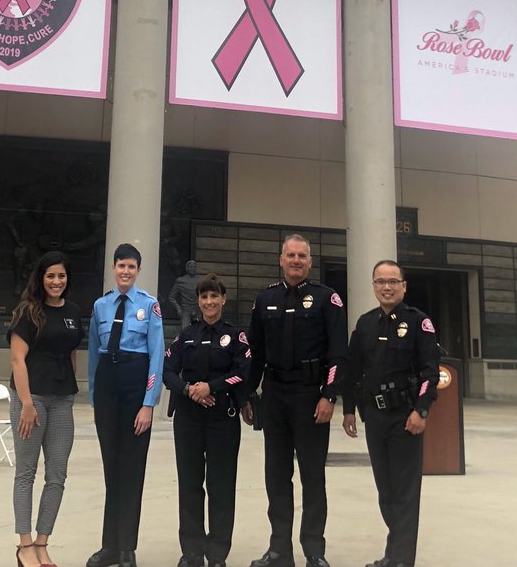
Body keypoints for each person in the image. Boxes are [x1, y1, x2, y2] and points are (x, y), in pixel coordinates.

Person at [243, 234, 347, 567]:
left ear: (310, 262)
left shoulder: (326, 299)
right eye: (291, 255)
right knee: (276, 475)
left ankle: (314, 551)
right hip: (274, 395)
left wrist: (329, 395)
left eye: (302, 256)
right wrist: (248, 394)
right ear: (281, 259)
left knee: (312, 476)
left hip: (310, 396)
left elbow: (338, 353)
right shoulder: (265, 299)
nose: (296, 260)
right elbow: (255, 353)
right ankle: (279, 550)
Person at [341, 261, 440, 567]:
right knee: (385, 491)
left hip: (405, 417)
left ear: (403, 286)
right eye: (380, 281)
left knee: (405, 492)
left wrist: (421, 410)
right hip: (375, 417)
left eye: (392, 281)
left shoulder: (418, 322)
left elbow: (430, 373)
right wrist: (349, 410)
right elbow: (352, 370)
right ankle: (393, 553)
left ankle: (401, 560)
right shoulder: (365, 323)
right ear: (373, 286)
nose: (386, 287)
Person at [86, 243, 166, 567]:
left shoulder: (149, 305)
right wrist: (95, 398)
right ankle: (109, 546)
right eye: (121, 266)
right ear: (114, 267)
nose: (125, 272)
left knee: (131, 469)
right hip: (108, 387)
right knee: (112, 469)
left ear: (138, 271)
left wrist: (148, 403)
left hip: (135, 386)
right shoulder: (100, 305)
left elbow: (156, 355)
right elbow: (94, 356)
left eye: (131, 267)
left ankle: (126, 548)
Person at [164, 274, 251, 567]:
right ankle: (191, 551)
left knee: (221, 486)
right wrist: (189, 390)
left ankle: (216, 553)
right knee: (190, 484)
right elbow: (168, 371)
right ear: (199, 301)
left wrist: (211, 387)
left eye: (214, 296)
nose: (209, 302)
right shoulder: (186, 335)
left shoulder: (235, 336)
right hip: (188, 417)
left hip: (222, 417)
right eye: (204, 297)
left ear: (223, 299)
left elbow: (243, 372)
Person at [8, 251, 85, 567]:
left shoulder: (74, 311)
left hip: (62, 399)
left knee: (57, 475)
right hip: (32, 399)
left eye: (61, 276)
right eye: (50, 275)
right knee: (26, 473)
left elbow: (71, 352)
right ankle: (24, 545)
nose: (56, 281)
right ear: (41, 278)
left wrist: (69, 384)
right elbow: (17, 360)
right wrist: (26, 404)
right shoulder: (27, 312)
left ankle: (42, 543)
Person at [168, 259, 202, 333]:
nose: (192, 268)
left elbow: (204, 295)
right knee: (184, 331)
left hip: (197, 309)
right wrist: (178, 308)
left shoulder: (200, 281)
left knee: (199, 331)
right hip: (186, 310)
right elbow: (171, 297)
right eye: (190, 267)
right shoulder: (181, 281)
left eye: (194, 267)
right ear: (187, 268)